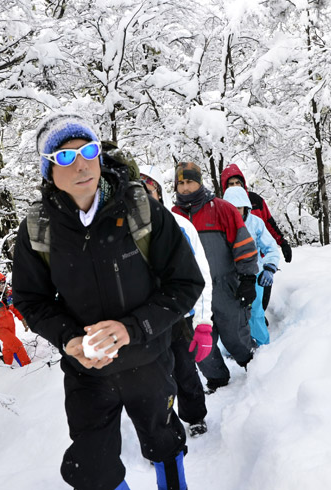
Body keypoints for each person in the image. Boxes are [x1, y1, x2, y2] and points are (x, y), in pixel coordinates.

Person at [13, 113, 204, 490]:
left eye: (88, 150)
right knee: (91, 469)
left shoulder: (141, 210)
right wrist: (69, 339)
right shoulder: (38, 228)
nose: (81, 163)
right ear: (48, 170)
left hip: (148, 360)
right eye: (64, 157)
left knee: (163, 441)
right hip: (87, 373)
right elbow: (31, 301)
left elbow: (185, 283)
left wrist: (131, 329)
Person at [172, 161, 259, 391]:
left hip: (225, 286)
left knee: (236, 334)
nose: (185, 188)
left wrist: (248, 278)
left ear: (199, 182)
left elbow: (244, 245)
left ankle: (255, 367)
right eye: (180, 183)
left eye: (190, 181)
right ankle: (217, 378)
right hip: (194, 292)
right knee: (200, 341)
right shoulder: (172, 217)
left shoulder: (221, 209)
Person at [140, 164, 212, 437]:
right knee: (152, 380)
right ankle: (160, 428)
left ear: (159, 193)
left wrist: (204, 322)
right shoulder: (121, 232)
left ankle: (194, 415)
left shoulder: (181, 227)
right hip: (143, 321)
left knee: (185, 371)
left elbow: (201, 274)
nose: (145, 196)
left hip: (179, 316)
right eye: (138, 191)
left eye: (149, 190)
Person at [221, 164, 292, 313]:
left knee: (257, 307)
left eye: (237, 183)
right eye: (230, 184)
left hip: (258, 263)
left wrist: (282, 242)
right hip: (231, 273)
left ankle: (259, 323)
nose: (234, 186)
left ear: (243, 184)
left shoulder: (255, 201)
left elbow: (269, 223)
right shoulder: (221, 210)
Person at [223, 187, 281, 346]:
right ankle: (233, 348)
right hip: (228, 277)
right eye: (231, 208)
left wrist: (269, 267)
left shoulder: (256, 223)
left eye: (238, 208)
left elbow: (271, 248)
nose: (235, 212)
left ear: (246, 207)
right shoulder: (220, 226)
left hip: (253, 275)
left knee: (255, 312)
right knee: (230, 315)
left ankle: (263, 345)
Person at [0, 271, 31, 367]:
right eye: (0, 283)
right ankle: (28, 367)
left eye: (4, 282)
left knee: (8, 349)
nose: (2, 285)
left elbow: (15, 308)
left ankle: (6, 368)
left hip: (11, 326)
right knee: (18, 346)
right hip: (1, 329)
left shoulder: (9, 294)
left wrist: (23, 320)